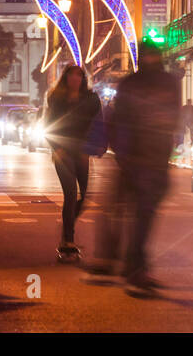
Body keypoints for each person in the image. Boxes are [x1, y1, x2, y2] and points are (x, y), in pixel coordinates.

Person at [90, 41, 181, 290]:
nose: (151, 59)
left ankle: (125, 263)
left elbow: (171, 118)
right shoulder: (159, 83)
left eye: (153, 55)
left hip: (147, 159)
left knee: (138, 214)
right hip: (140, 159)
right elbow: (124, 120)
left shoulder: (149, 83)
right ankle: (129, 265)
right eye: (149, 55)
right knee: (136, 214)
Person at [43, 65, 101, 259]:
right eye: (71, 76)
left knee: (83, 196)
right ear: (65, 78)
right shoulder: (56, 98)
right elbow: (48, 124)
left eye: (79, 76)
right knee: (70, 193)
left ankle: (67, 228)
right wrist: (57, 148)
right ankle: (68, 240)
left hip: (81, 151)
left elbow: (99, 124)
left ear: (83, 79)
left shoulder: (91, 99)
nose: (75, 79)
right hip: (62, 152)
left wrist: (94, 147)